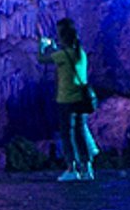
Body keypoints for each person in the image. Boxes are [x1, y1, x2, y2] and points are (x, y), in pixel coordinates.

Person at [38, 18, 96, 180]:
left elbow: (41, 59)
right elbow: (65, 59)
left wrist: (42, 46)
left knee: (67, 135)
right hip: (81, 100)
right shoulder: (80, 53)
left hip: (66, 100)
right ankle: (87, 168)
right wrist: (56, 48)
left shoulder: (63, 55)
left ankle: (72, 168)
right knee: (80, 133)